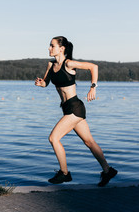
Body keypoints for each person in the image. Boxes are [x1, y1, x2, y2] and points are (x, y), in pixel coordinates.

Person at [35, 36, 117, 187]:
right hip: (67, 108)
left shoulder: (69, 64)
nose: (49, 48)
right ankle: (107, 170)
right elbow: (46, 83)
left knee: (54, 138)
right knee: (89, 142)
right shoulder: (50, 65)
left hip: (75, 108)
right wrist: (41, 84)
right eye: (49, 45)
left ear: (62, 48)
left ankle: (64, 173)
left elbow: (94, 67)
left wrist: (93, 87)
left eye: (52, 46)